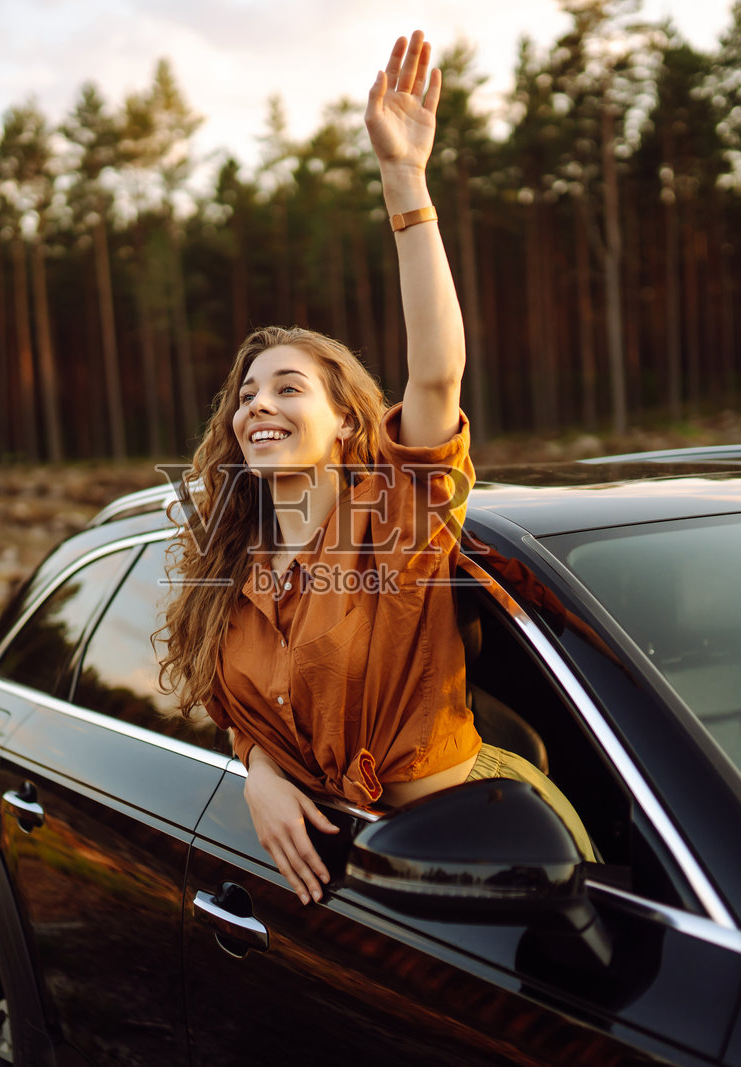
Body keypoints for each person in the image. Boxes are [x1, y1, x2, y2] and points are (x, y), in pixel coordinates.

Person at [159, 30, 593, 906]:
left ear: (348, 419)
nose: (256, 406)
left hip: (488, 858)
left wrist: (405, 185)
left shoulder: (394, 520)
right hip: (344, 872)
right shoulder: (229, 568)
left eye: (288, 388)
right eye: (246, 394)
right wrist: (257, 770)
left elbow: (436, 372)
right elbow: (232, 704)